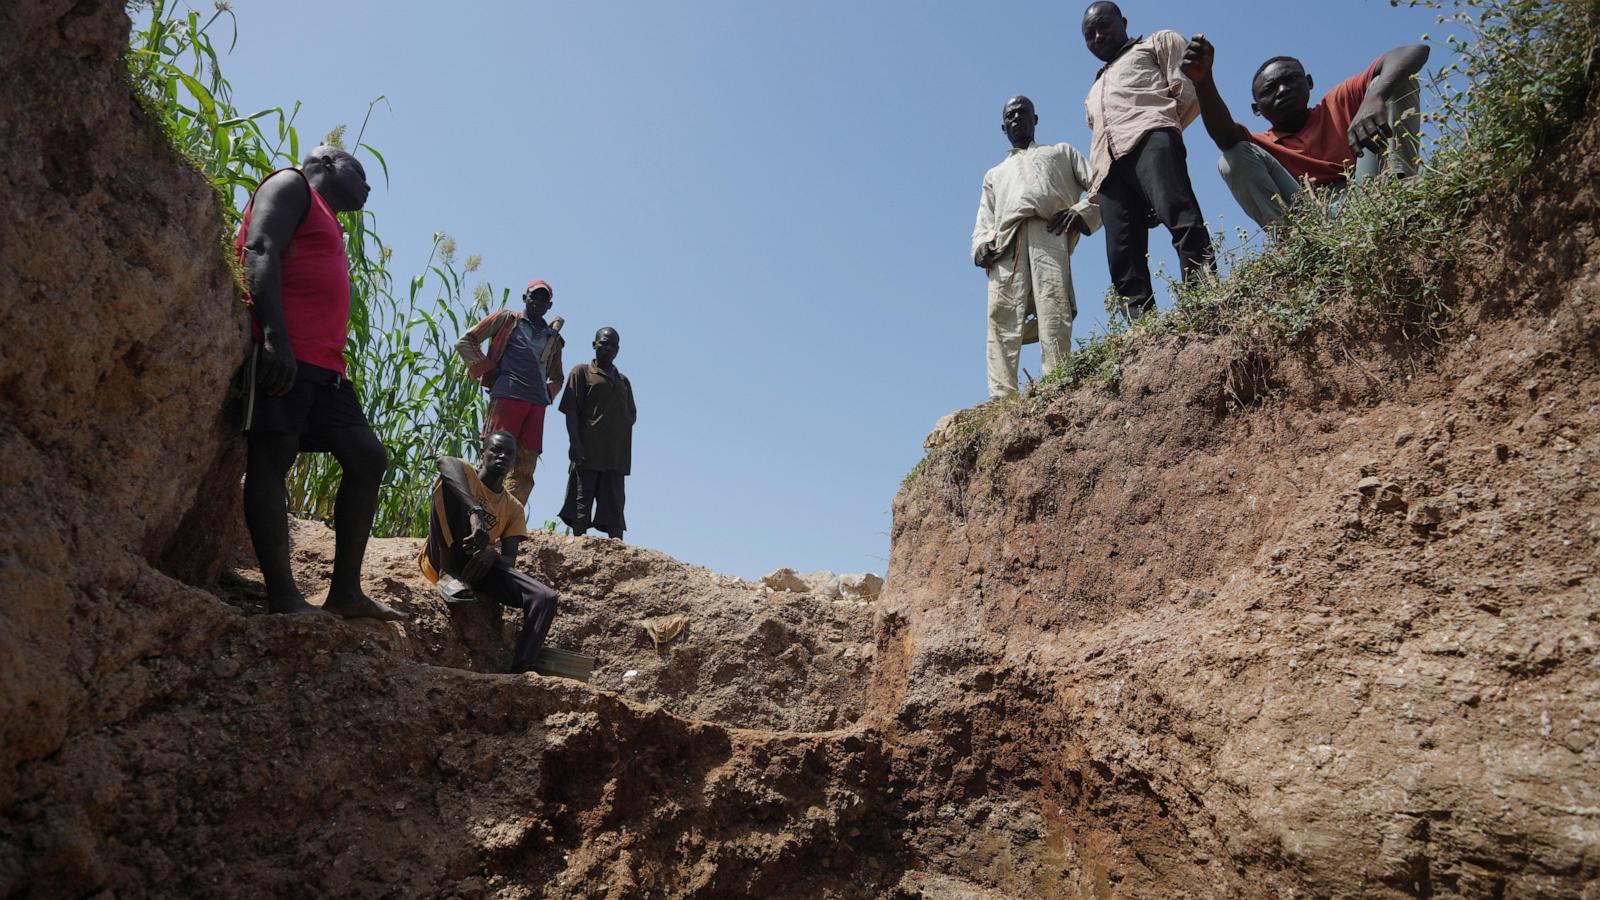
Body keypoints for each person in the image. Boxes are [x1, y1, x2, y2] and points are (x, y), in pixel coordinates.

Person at [235, 146, 402, 620]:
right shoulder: (291, 185)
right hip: (288, 353)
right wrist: (273, 338)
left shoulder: (326, 214)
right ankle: (283, 597)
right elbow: (260, 247)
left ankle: (345, 592)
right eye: (361, 172)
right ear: (328, 162)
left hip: (327, 369)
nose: (369, 186)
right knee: (273, 458)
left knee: (368, 457)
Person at [1183, 35, 1430, 227]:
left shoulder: (1338, 101)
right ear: (1256, 109)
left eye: (1290, 80)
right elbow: (1225, 137)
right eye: (1270, 89)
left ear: (1309, 82)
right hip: (1313, 217)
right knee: (1232, 159)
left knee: (1392, 80)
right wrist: (1202, 81)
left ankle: (1403, 190)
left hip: (1370, 191)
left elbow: (1414, 52)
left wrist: (1373, 98)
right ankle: (1296, 246)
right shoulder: (1260, 146)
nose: (1282, 90)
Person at [1081, 1, 1215, 320]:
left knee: (1181, 218)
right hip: (1109, 170)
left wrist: (1163, 131)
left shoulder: (1157, 43)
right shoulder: (1093, 88)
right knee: (1122, 256)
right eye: (1089, 34)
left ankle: (1204, 303)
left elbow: (1187, 93)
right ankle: (1145, 331)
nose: (1098, 36)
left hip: (1151, 140)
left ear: (1123, 21)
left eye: (1104, 26)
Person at [972, 95, 1101, 400]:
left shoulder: (1061, 152)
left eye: (1023, 113)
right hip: (1006, 246)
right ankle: (1002, 398)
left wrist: (1081, 212)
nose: (1017, 118)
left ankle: (1059, 383)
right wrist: (980, 246)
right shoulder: (994, 174)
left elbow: (1100, 184)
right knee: (1001, 319)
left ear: (1036, 119)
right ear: (1003, 127)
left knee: (1054, 308)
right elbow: (984, 219)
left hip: (1049, 234)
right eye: (1011, 116)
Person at [418, 431, 559, 674]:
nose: (503, 456)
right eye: (496, 450)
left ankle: (522, 667)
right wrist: (476, 513)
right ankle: (447, 573)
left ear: (514, 463)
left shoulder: (513, 507)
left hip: (475, 565)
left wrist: (492, 554)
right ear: (482, 455)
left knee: (545, 597)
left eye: (510, 454)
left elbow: (509, 560)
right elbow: (444, 462)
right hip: (444, 553)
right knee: (447, 481)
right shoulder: (467, 473)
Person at [454, 279, 565, 504]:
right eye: (534, 296)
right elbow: (466, 341)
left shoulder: (553, 339)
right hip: (507, 397)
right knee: (493, 457)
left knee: (525, 466)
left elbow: (558, 377)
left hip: (536, 405)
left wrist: (547, 393)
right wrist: (488, 369)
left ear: (549, 306)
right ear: (525, 298)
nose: (538, 302)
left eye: (544, 299)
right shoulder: (507, 320)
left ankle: (508, 520)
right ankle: (477, 512)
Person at [558, 327, 636, 541]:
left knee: (614, 506)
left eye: (612, 345)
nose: (607, 348)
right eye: (603, 343)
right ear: (594, 344)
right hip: (587, 449)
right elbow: (571, 409)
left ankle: (618, 550)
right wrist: (575, 441)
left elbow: (631, 414)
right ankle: (578, 542)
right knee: (581, 502)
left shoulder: (623, 381)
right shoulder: (581, 372)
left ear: (618, 350)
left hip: (616, 455)